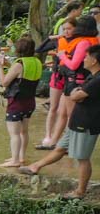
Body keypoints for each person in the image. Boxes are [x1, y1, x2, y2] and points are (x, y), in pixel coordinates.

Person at [20, 44, 100, 198]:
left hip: (86, 124)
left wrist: (75, 91)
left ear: (94, 60)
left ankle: (80, 191)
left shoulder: (97, 80)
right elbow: (77, 93)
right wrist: (76, 91)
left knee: (82, 158)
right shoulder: (92, 77)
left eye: (86, 56)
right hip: (77, 122)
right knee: (60, 148)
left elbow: (75, 96)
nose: (84, 59)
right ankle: (35, 166)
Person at [45, 16, 99, 149]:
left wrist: (62, 55)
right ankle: (54, 143)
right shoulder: (94, 41)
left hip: (75, 81)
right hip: (78, 80)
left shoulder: (83, 42)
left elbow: (74, 65)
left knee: (71, 115)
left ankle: (68, 145)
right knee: (62, 112)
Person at [0, 37, 42, 168]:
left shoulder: (19, 63)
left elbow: (4, 83)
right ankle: (21, 156)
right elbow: (21, 74)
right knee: (24, 131)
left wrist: (0, 67)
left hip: (16, 102)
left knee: (14, 133)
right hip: (30, 101)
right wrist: (8, 65)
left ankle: (15, 160)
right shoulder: (37, 62)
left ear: (19, 49)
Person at [38, 18, 76, 149]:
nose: (66, 31)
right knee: (53, 107)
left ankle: (65, 138)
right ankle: (48, 136)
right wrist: (52, 37)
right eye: (64, 29)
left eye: (69, 28)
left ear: (76, 29)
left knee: (65, 111)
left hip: (70, 77)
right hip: (57, 75)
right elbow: (40, 49)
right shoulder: (59, 40)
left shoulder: (80, 42)